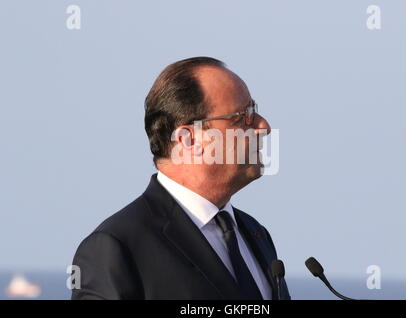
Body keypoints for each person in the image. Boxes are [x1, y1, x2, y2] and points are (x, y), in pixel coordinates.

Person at [71, 57, 290, 300]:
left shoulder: (255, 233)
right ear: (189, 139)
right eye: (243, 116)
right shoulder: (117, 247)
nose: (263, 126)